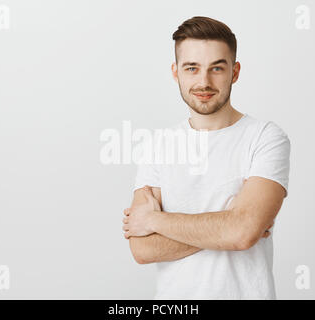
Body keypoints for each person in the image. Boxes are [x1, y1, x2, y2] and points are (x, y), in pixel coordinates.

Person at [122, 16, 291, 299]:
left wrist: (154, 221)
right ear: (176, 72)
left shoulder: (266, 138)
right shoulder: (158, 145)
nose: (204, 81)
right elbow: (143, 250)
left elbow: (242, 233)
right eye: (192, 68)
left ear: (235, 72)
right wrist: (229, 224)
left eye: (217, 68)